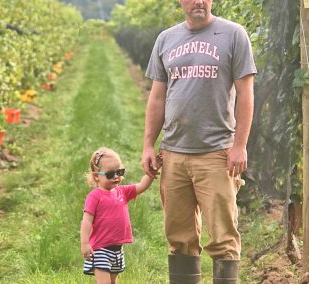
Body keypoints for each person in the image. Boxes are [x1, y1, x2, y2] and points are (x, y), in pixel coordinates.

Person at [142, 0, 257, 283]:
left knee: (223, 237)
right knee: (179, 237)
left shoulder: (233, 34)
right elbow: (157, 97)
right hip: (174, 154)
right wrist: (148, 145)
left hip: (216, 154)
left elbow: (246, 94)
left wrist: (239, 145)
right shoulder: (166, 39)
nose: (198, 2)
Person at [81, 147, 159, 284]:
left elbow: (141, 186)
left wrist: (151, 172)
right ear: (96, 176)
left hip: (117, 249)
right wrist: (85, 243)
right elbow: (86, 221)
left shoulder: (122, 192)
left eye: (120, 172)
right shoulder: (95, 196)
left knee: (113, 281)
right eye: (111, 174)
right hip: (100, 249)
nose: (117, 176)